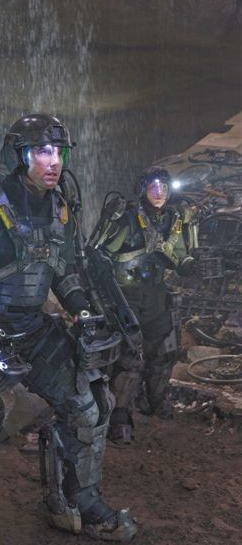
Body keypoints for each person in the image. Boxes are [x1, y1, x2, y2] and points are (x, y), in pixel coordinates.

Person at [0, 113, 137, 545]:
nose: (54, 161)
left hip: (32, 329)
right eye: (42, 151)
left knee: (89, 404)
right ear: (19, 156)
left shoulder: (60, 208)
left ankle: (79, 502)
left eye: (59, 152)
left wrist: (82, 312)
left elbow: (65, 271)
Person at [99, 166, 197, 442]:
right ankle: (120, 417)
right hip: (127, 298)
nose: (159, 192)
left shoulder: (172, 221)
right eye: (153, 186)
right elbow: (102, 255)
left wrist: (188, 264)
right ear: (142, 189)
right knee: (129, 359)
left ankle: (156, 401)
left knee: (164, 353)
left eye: (163, 187)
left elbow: (179, 256)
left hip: (156, 295)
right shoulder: (127, 219)